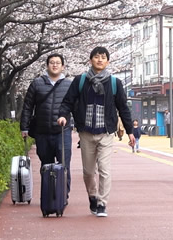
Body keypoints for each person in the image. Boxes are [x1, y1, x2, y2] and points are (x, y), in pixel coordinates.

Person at [57, 46, 134, 218]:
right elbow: (68, 101)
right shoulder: (81, 81)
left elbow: (123, 108)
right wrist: (63, 115)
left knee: (105, 170)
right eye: (97, 57)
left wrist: (130, 131)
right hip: (86, 133)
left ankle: (102, 203)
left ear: (108, 61)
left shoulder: (114, 83)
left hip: (106, 133)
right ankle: (92, 196)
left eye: (103, 57)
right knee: (88, 172)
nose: (100, 60)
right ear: (91, 59)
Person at [19, 53, 73, 197]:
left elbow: (76, 106)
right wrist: (24, 127)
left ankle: (62, 195)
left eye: (57, 63)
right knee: (45, 165)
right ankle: (49, 195)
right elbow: (28, 106)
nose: (54, 65)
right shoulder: (37, 83)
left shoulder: (69, 84)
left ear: (63, 66)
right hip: (42, 132)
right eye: (51, 62)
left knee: (64, 165)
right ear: (47, 65)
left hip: (63, 132)